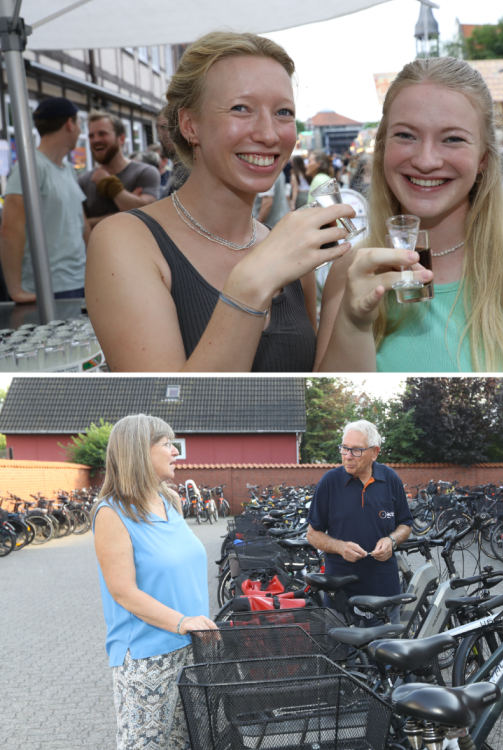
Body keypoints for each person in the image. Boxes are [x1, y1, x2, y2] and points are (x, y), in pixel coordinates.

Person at [84, 31, 365, 372]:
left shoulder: (289, 250)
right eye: (241, 108)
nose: (268, 133)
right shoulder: (127, 242)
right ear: (190, 125)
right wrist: (253, 280)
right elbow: (170, 406)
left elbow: (312, 382)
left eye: (283, 112)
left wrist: (350, 306)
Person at [317, 56, 503, 373]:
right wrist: (353, 323)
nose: (426, 160)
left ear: (484, 159)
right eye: (406, 135)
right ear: (382, 148)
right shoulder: (351, 270)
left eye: (453, 139)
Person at [92, 414, 216, 750]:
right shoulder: (111, 513)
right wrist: (182, 621)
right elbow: (123, 591)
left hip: (190, 647)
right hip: (148, 656)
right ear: (139, 451)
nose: (176, 451)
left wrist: (194, 625)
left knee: (189, 742)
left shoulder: (170, 502)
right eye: (166, 444)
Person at [307, 420, 412, 621]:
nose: (347, 456)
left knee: (385, 650)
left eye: (356, 450)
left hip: (385, 594)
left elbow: (405, 524)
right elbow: (312, 534)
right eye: (344, 448)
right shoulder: (330, 482)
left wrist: (392, 540)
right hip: (340, 595)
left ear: (374, 452)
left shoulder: (390, 479)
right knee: (341, 652)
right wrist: (339, 547)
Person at [0, 97, 88, 303]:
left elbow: (81, 225)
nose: (80, 131)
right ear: (69, 123)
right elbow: (9, 230)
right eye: (79, 124)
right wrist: (16, 291)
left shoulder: (67, 169)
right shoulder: (31, 167)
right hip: (47, 288)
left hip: (80, 281)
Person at [79, 111, 160, 234]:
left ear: (121, 139)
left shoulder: (145, 172)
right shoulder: (83, 181)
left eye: (102, 134)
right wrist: (129, 211)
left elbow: (148, 215)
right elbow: (79, 226)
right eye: (91, 136)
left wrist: (109, 184)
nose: (95, 140)